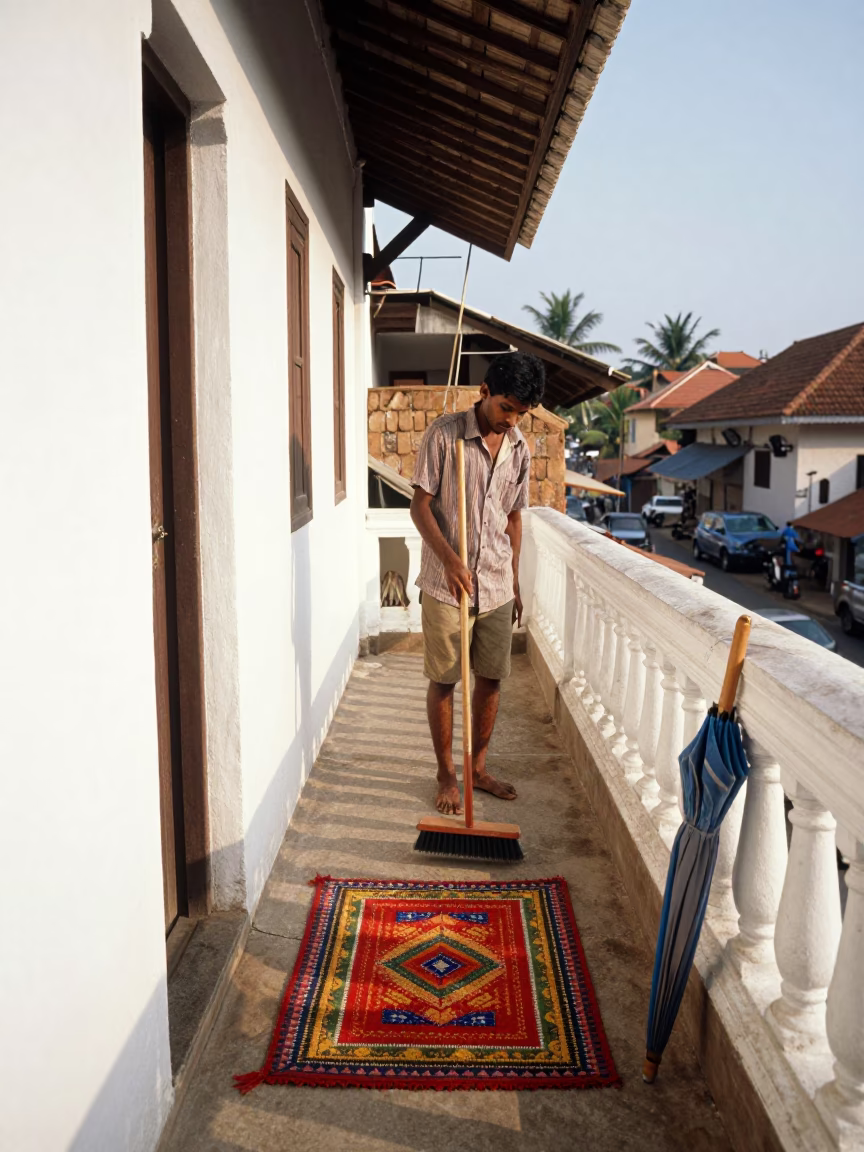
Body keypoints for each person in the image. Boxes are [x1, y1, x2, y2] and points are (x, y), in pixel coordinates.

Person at [410, 352, 545, 815]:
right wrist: (449, 559)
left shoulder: (520, 448)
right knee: (445, 680)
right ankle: (447, 774)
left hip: (496, 585)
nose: (511, 419)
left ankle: (478, 768)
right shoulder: (445, 435)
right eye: (506, 408)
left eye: (520, 413)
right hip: (447, 584)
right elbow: (420, 507)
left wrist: (515, 579)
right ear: (484, 393)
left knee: (491, 679)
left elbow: (513, 517)